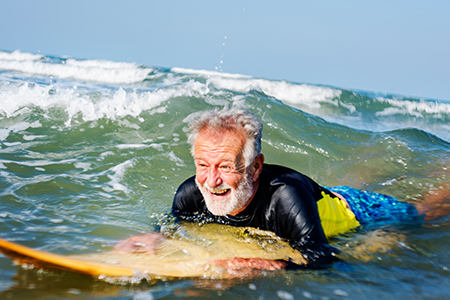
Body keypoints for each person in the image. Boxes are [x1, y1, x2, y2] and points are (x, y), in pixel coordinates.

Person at [115, 107, 447, 270]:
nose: (211, 180)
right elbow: (175, 223)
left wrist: (271, 265)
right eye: (203, 165)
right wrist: (158, 235)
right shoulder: (192, 191)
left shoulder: (284, 199)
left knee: (424, 213)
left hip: (354, 210)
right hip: (315, 199)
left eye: (226, 167)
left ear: (256, 167)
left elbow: (323, 256)